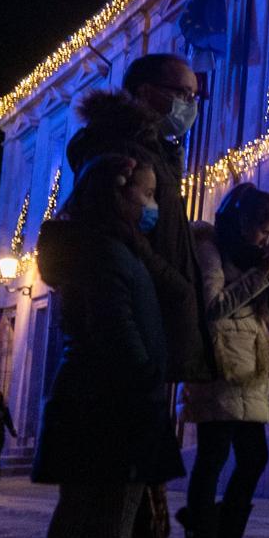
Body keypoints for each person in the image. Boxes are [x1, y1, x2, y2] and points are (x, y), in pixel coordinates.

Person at [30, 152, 185, 538]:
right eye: (147, 193)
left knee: (80, 501)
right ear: (118, 193)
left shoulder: (99, 244)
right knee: (116, 498)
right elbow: (115, 323)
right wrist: (144, 372)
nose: (152, 204)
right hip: (115, 396)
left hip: (91, 392)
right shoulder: (106, 250)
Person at [66, 53, 210, 384]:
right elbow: (116, 240)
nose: (190, 105)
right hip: (136, 329)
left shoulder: (155, 151)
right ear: (146, 91)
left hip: (153, 322)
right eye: (183, 93)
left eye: (194, 96)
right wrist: (177, 285)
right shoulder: (122, 149)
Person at [178, 184, 269, 538]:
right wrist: (259, 278)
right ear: (243, 222)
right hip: (221, 367)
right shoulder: (210, 249)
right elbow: (213, 307)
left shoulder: (251, 256)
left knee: (253, 458)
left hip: (250, 370)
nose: (266, 240)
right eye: (263, 231)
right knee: (212, 458)